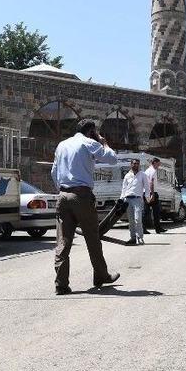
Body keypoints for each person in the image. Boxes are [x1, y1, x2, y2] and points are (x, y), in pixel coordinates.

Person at [50, 119, 121, 295]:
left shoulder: (62, 145)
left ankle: (61, 284)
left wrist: (62, 189)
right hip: (82, 196)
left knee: (63, 241)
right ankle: (101, 276)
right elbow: (112, 159)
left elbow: (53, 172)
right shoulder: (89, 143)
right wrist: (104, 143)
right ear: (91, 132)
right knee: (92, 239)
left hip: (63, 195)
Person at [121, 159, 149, 245]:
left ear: (139, 165)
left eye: (137, 164)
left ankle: (140, 237)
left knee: (138, 219)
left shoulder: (142, 175)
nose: (136, 165)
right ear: (131, 165)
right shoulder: (127, 175)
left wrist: (147, 197)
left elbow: (147, 187)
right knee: (131, 221)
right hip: (128, 199)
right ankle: (133, 238)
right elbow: (124, 188)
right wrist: (122, 198)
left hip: (137, 199)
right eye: (134, 163)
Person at [144, 158, 167, 234]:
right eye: (158, 164)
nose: (159, 165)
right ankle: (158, 228)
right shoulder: (153, 171)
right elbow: (151, 183)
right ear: (154, 163)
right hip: (152, 193)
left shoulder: (147, 171)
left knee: (146, 212)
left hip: (146, 192)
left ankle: (144, 228)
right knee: (156, 212)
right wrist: (153, 194)